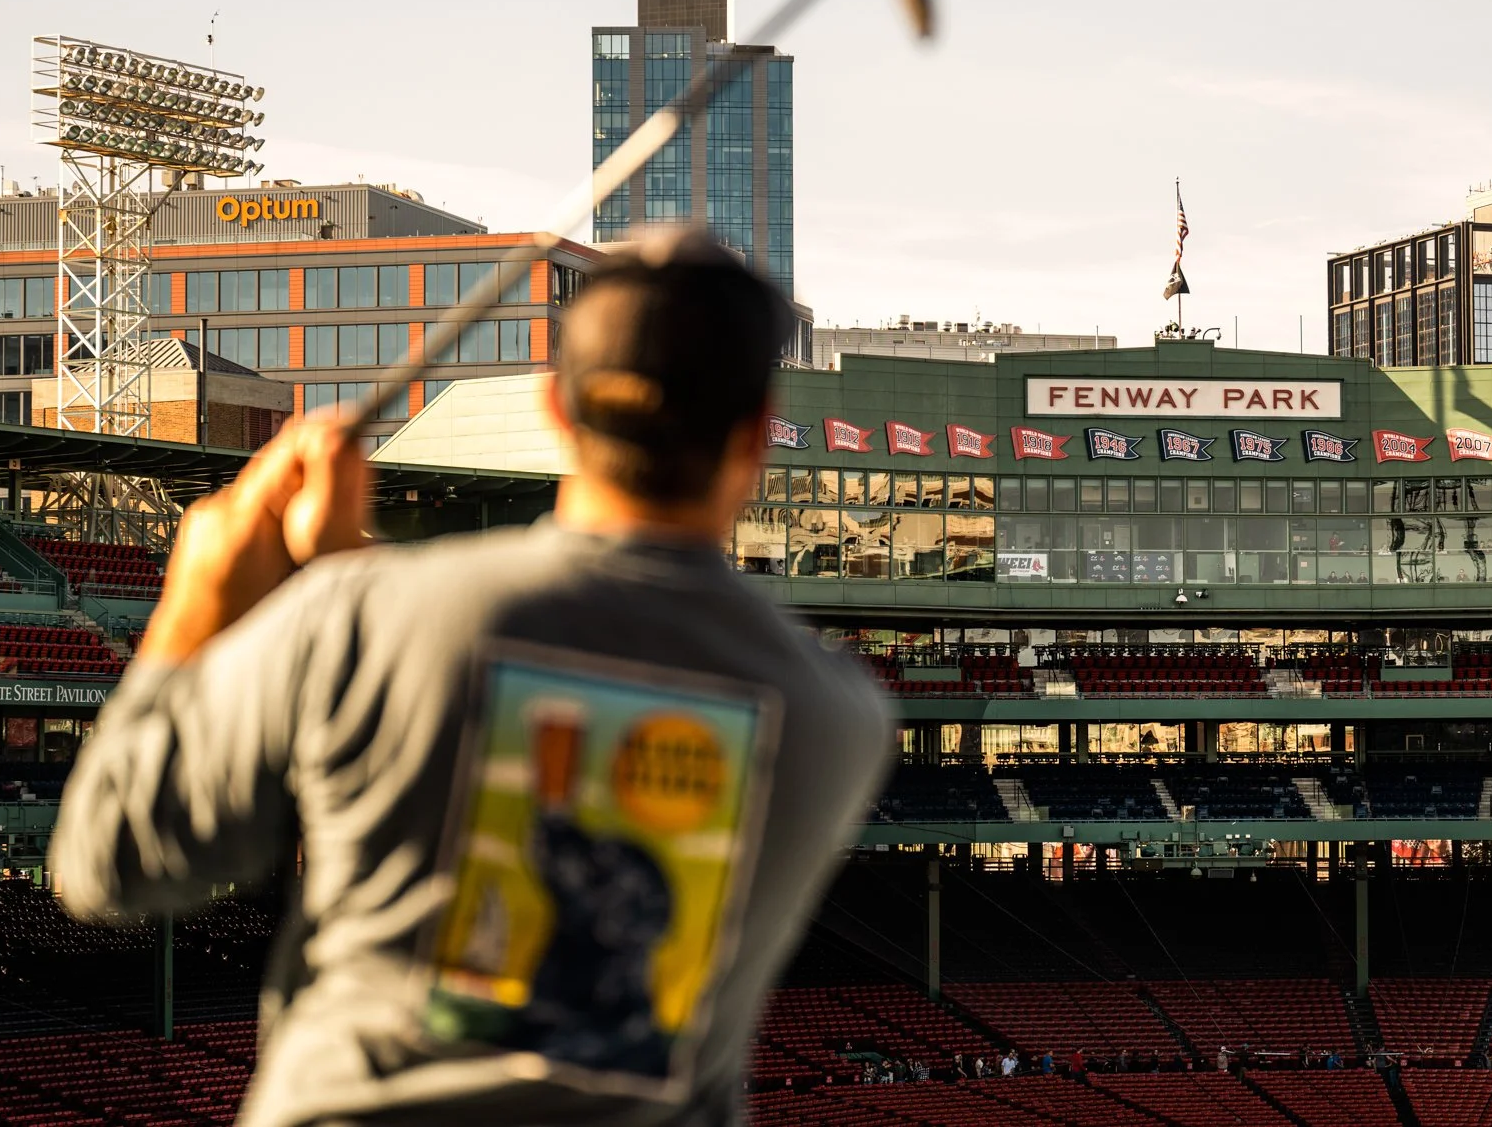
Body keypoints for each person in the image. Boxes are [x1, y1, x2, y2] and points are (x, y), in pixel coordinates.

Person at [49, 230, 895, 1127]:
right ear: (758, 434)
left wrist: (196, 607)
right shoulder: (839, 715)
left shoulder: (355, 616)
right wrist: (354, 585)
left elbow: (109, 862)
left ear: (556, 410)